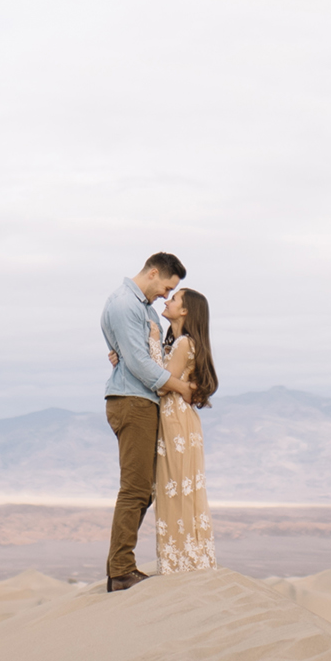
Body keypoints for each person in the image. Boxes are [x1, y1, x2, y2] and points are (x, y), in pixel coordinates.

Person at [99, 252, 190, 591]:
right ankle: (121, 571)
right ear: (153, 273)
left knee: (143, 490)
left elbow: (136, 355)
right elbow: (137, 362)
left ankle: (120, 567)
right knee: (135, 489)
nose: (166, 295)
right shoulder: (125, 304)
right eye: (167, 287)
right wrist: (181, 386)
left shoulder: (143, 308)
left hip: (143, 401)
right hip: (132, 401)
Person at [146, 286, 218, 572]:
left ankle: (182, 563)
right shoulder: (179, 343)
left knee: (176, 490)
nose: (167, 300)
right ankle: (185, 559)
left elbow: (161, 382)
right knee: (176, 491)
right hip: (177, 422)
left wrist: (152, 341)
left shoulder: (185, 344)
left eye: (174, 299)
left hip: (176, 423)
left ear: (185, 310)